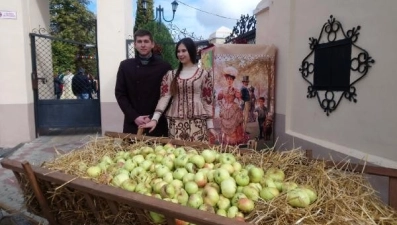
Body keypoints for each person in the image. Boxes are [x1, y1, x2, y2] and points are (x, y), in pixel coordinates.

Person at [139, 38, 217, 142]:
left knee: (198, 154)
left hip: (198, 122)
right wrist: (154, 119)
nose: (180, 54)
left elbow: (207, 100)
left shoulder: (204, 74)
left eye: (184, 51)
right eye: (178, 51)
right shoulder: (170, 75)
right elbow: (164, 97)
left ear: (191, 51)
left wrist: (210, 126)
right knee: (176, 153)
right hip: (175, 123)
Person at [115, 29, 172, 136]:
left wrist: (153, 117)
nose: (143, 45)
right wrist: (134, 117)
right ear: (135, 44)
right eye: (139, 41)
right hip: (132, 123)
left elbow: (168, 96)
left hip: (156, 123)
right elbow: (120, 94)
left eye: (146, 41)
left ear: (152, 44)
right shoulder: (125, 66)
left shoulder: (164, 67)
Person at [217, 66, 248, 145]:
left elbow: (240, 100)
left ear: (233, 80)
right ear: (226, 80)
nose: (229, 81)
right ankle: (226, 143)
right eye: (228, 79)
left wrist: (240, 106)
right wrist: (221, 105)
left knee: (234, 127)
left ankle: (233, 143)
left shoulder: (235, 90)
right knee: (225, 126)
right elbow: (219, 98)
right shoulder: (223, 90)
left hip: (233, 109)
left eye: (231, 79)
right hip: (225, 109)